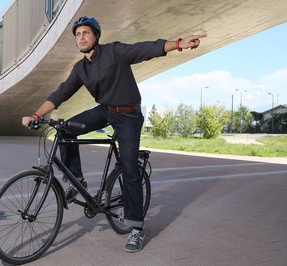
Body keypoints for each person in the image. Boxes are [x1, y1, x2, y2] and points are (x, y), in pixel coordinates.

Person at [21, 16, 206, 253]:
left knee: (129, 170)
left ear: (96, 36)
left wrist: (178, 44)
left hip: (128, 115)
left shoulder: (115, 52)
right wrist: (36, 115)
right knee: (65, 128)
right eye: (77, 34)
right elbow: (60, 94)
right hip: (105, 111)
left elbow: (146, 49)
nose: (81, 37)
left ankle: (137, 228)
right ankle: (77, 181)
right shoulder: (80, 69)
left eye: (86, 33)